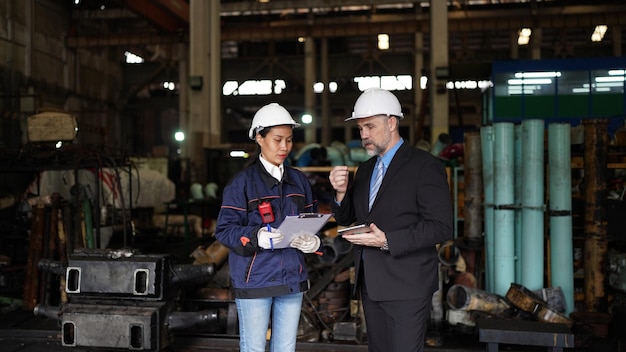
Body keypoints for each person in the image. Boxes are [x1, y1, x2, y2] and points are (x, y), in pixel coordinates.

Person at [328, 88, 453, 352]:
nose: (363, 135)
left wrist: (388, 240)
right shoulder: (365, 170)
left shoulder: (425, 166)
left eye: (370, 127)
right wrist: (340, 194)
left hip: (407, 284)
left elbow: (441, 226)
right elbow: (349, 216)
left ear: (392, 122)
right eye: (361, 128)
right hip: (371, 284)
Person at [215, 102, 322, 352]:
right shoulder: (241, 184)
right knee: (254, 348)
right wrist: (257, 237)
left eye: (289, 140)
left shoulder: (299, 181)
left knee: (285, 349)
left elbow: (309, 219)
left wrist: (314, 241)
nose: (284, 147)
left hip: (292, 279)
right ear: (259, 138)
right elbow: (224, 230)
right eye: (277, 139)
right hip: (255, 280)